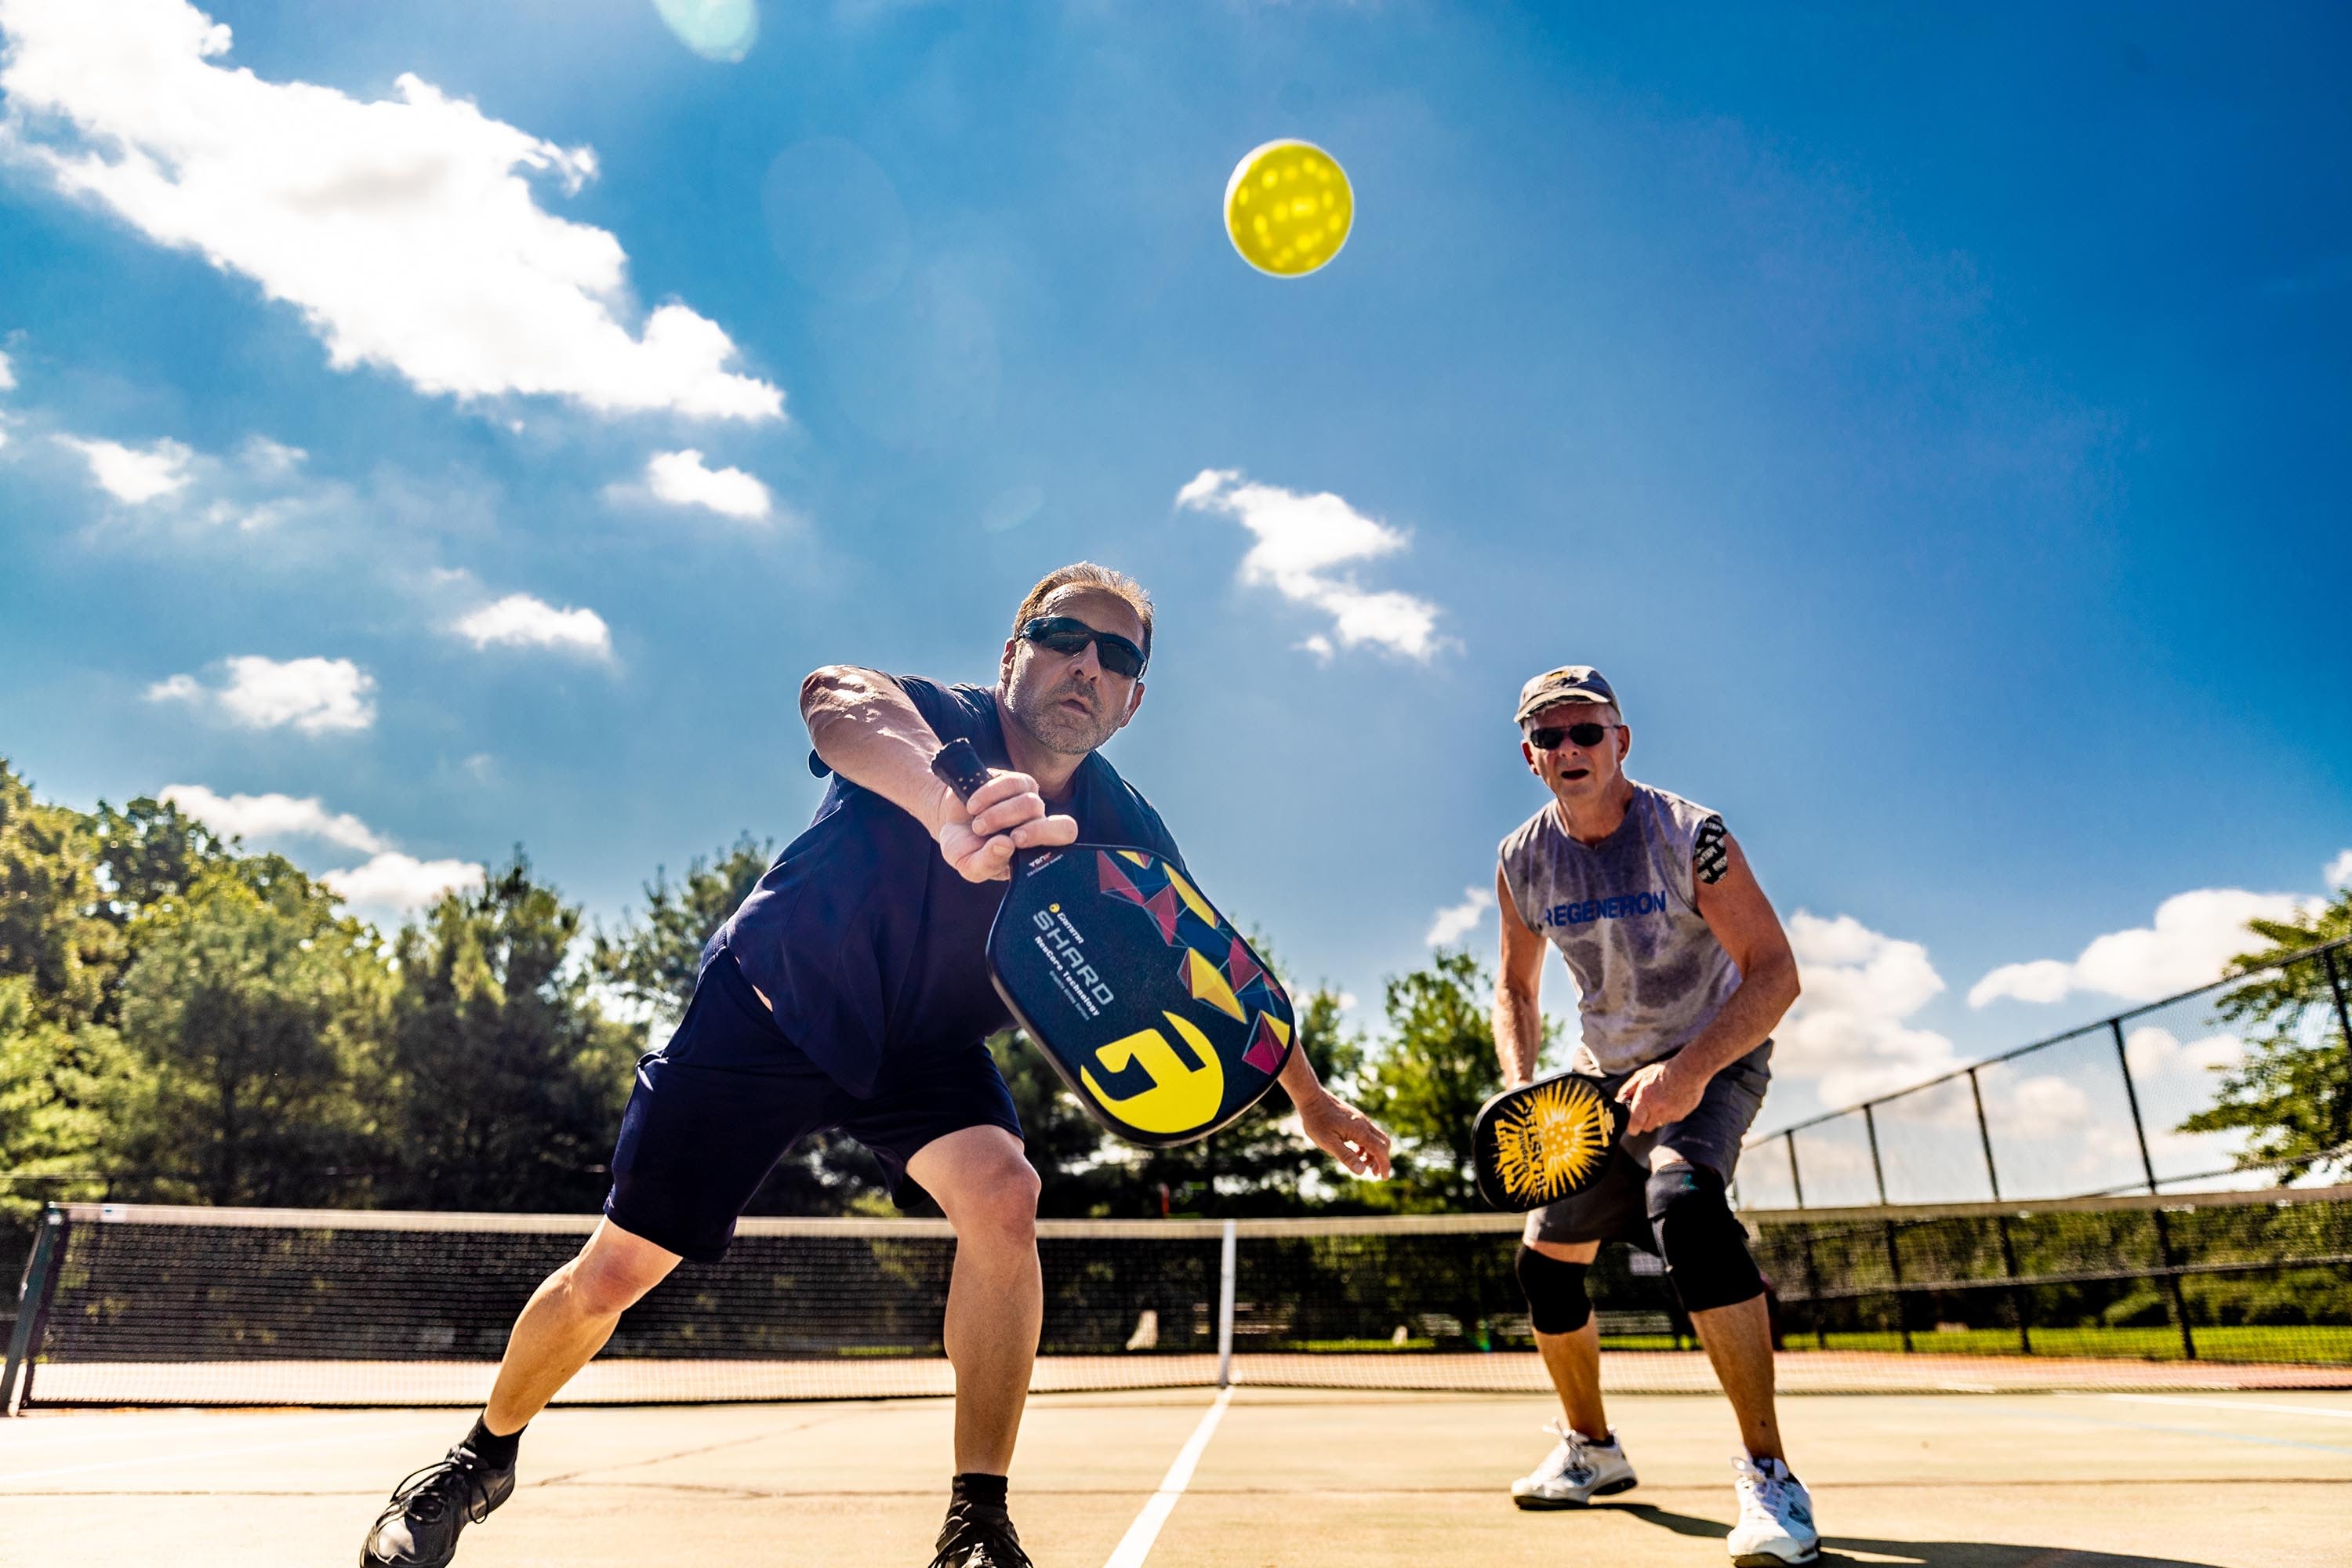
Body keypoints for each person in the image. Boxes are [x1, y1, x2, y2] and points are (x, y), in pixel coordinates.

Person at [361, 563, 1393, 1568]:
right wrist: (952, 798)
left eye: (1115, 655)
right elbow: (836, 699)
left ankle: (976, 1524)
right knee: (617, 1272)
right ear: (1011, 656)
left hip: (923, 1054)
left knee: (1004, 1195)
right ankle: (473, 1463)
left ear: (1130, 700)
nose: (1086, 664)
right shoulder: (942, 718)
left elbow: (1205, 972)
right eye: (1064, 638)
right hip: (773, 1011)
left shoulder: (1126, 832)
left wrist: (1308, 1095)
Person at [1489, 666, 1816, 1566]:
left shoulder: (1690, 834)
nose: (1569, 749)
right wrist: (1522, 1085)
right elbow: (1516, 987)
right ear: (1530, 757)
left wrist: (1688, 1071)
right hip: (1602, 1078)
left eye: (1585, 731)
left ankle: (1769, 1476)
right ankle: (1592, 1448)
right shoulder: (1522, 856)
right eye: (1549, 737)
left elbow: (1775, 972)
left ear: (1621, 740)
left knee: (1687, 1208)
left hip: (1715, 1054)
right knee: (1544, 1265)